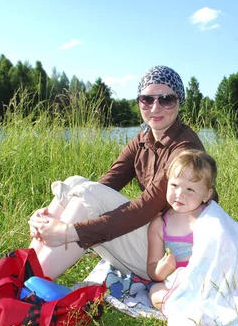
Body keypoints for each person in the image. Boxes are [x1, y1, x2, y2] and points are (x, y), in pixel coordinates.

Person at [28, 65, 210, 280]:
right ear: (139, 102)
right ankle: (28, 266)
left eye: (166, 99)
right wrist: (51, 215)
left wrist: (68, 232)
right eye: (147, 99)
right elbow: (104, 186)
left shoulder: (184, 150)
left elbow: (143, 208)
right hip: (153, 240)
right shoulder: (142, 141)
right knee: (75, 183)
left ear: (179, 102)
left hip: (170, 257)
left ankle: (31, 284)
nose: (155, 107)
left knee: (86, 192)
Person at [146, 149, 216, 309]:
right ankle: (184, 308)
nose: (179, 194)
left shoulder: (210, 218)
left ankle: (196, 306)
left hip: (207, 278)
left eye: (190, 189)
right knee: (156, 292)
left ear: (206, 194)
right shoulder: (159, 225)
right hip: (176, 282)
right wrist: (160, 271)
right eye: (174, 185)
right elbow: (151, 268)